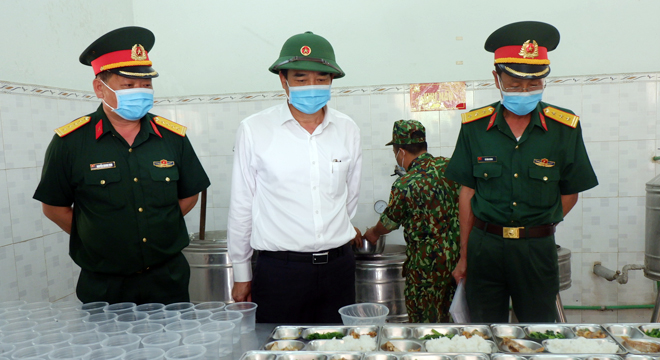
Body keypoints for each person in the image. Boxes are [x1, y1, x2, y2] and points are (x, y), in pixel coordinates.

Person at [33, 27, 210, 304]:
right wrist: (100, 235)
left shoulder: (173, 137)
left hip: (168, 279)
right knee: (108, 348)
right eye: (128, 86)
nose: (140, 92)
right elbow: (54, 207)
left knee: (174, 347)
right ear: (100, 88)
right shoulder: (70, 142)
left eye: (146, 85)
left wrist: (158, 226)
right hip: (104, 284)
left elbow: (190, 194)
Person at [445, 21, 598, 323]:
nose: (524, 92)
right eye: (514, 86)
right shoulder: (475, 127)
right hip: (485, 247)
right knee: (485, 332)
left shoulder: (564, 128)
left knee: (540, 331)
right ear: (496, 79)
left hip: (536, 249)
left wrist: (539, 225)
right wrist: (464, 255)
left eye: (533, 85)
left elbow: (571, 192)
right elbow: (467, 194)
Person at [228, 31, 362, 324]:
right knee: (280, 356)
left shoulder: (347, 129)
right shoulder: (255, 129)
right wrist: (241, 273)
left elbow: (349, 198)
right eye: (301, 80)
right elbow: (242, 205)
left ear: (331, 82)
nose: (311, 86)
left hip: (338, 269)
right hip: (280, 272)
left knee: (340, 357)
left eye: (321, 79)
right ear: (283, 80)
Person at [363, 120, 460, 323]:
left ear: (400, 152)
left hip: (425, 267)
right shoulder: (451, 167)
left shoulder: (405, 183)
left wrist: (373, 233)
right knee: (454, 320)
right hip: (457, 263)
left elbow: (389, 222)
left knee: (424, 322)